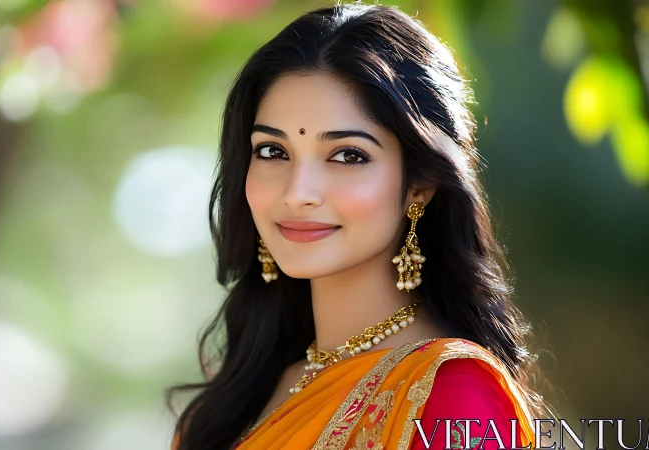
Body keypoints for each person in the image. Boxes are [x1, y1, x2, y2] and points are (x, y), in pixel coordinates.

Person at [167, 2, 556, 449]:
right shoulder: (226, 406)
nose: (298, 192)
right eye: (273, 151)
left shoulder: (451, 391)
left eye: (348, 155)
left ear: (420, 184)